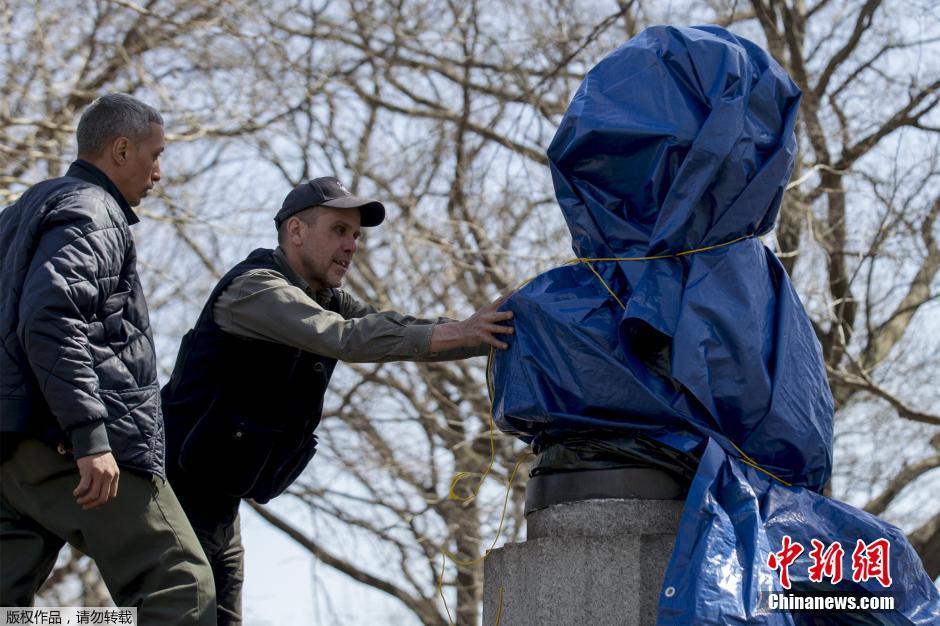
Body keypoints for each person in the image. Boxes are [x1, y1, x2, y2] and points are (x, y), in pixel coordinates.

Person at [161, 176, 514, 625]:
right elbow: (346, 338)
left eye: (356, 236)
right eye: (339, 230)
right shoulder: (254, 290)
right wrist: (465, 331)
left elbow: (396, 327)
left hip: (218, 502)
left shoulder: (326, 298)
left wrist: (493, 331)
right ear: (296, 231)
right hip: (168, 493)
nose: (351, 246)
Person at [0, 94, 216, 624]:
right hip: (65, 442)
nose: (159, 173)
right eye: (155, 155)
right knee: (181, 586)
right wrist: (90, 437)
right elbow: (51, 319)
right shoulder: (93, 211)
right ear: (122, 150)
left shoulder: (19, 213)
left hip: (11, 454)